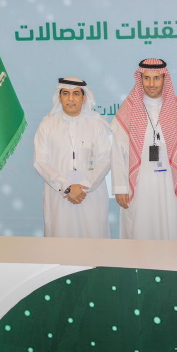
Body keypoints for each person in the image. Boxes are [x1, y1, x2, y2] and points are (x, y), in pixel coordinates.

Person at [111, 59, 177, 240]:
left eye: (156, 78)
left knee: (170, 227)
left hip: (169, 183)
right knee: (140, 229)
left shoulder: (175, 108)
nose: (151, 83)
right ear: (140, 79)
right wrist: (120, 187)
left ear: (164, 79)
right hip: (139, 185)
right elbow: (117, 153)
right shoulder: (129, 109)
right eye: (147, 78)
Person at [33, 77, 111, 238]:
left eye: (76, 94)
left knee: (93, 240)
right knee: (60, 240)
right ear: (59, 97)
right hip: (59, 194)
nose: (70, 98)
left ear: (84, 98)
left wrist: (85, 186)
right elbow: (40, 162)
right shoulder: (47, 125)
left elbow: (106, 159)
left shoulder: (97, 125)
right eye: (66, 93)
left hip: (90, 195)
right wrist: (67, 187)